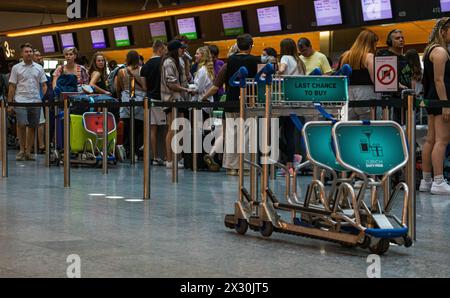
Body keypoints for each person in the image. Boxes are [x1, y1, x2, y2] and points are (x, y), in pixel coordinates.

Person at [419, 17, 450, 195]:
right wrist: (446, 104)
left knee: (430, 139)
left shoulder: (431, 49)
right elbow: (439, 80)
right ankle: (438, 181)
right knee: (442, 140)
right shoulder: (440, 51)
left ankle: (426, 180)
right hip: (440, 101)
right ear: (443, 30)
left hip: (432, 100)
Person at [222, 34, 260, 176]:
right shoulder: (255, 60)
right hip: (249, 100)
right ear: (251, 45)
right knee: (248, 135)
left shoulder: (230, 60)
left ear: (238, 46)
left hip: (231, 99)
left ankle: (231, 167)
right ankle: (245, 167)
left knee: (232, 134)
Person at [7, 43, 47, 161]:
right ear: (22, 54)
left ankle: (28, 151)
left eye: (30, 51)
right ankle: (21, 150)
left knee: (33, 126)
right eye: (26, 51)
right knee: (22, 124)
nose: (29, 53)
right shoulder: (16, 68)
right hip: (20, 101)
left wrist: (41, 97)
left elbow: (44, 85)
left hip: (35, 101)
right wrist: (10, 103)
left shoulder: (39, 68)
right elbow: (12, 86)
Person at [277, 38, 306, 176]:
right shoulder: (299, 61)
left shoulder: (285, 58)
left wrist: (276, 72)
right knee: (289, 134)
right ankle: (290, 165)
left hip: (284, 101)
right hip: (297, 101)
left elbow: (282, 70)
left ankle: (291, 158)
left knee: (271, 133)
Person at [161, 40, 192, 169]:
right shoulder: (169, 63)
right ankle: (169, 159)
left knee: (179, 129)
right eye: (181, 49)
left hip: (179, 99)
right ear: (175, 50)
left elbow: (184, 79)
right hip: (171, 99)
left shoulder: (178, 61)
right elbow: (171, 84)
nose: (183, 51)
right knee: (172, 129)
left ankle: (177, 158)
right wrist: (187, 90)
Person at [339, 30, 379, 120]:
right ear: (371, 43)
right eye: (376, 43)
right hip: (366, 94)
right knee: (367, 128)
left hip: (348, 94)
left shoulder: (345, 55)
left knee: (349, 126)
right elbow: (375, 80)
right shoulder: (369, 56)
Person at [115, 50, 147, 161]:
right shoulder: (142, 70)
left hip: (126, 99)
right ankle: (137, 152)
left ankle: (127, 150)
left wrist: (120, 98)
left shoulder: (122, 71)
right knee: (139, 127)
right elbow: (145, 87)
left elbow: (118, 88)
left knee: (128, 127)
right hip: (140, 100)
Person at [140, 40, 167, 166]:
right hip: (162, 99)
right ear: (160, 49)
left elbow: (144, 87)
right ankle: (167, 156)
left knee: (152, 129)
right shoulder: (163, 63)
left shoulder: (144, 66)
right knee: (167, 129)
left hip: (150, 99)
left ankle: (155, 157)